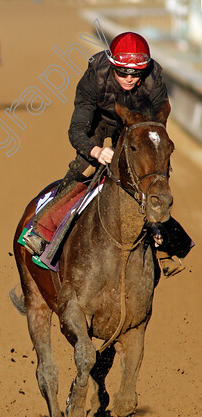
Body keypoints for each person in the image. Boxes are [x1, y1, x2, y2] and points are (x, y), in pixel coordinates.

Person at [22, 31, 190, 276]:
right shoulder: (94, 76)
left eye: (136, 73)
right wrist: (97, 150)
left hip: (136, 129)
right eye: (123, 72)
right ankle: (44, 229)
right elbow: (76, 129)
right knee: (82, 171)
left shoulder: (155, 78)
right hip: (99, 127)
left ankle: (165, 245)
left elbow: (157, 127)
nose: (130, 79)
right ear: (112, 66)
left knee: (151, 179)